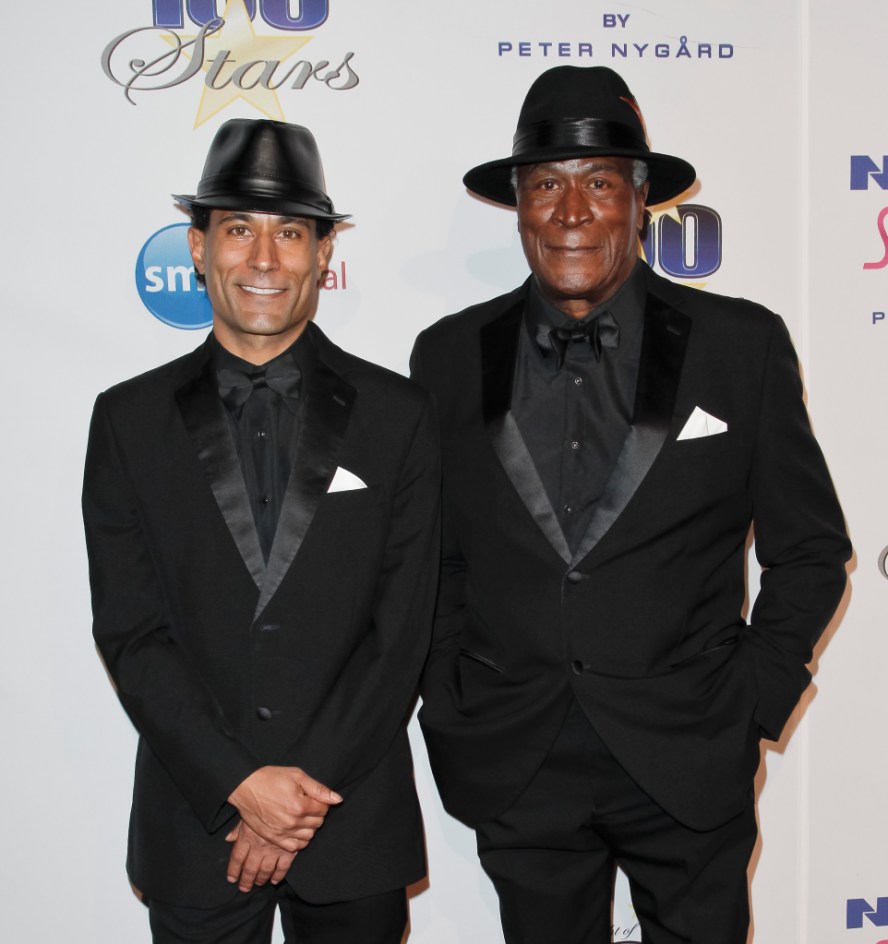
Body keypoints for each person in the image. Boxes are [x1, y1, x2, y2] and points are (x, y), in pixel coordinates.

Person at [411, 66, 850, 943]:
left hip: (689, 754)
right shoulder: (447, 356)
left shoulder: (742, 346)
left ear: (640, 199)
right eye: (547, 184)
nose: (572, 210)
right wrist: (453, 697)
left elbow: (808, 550)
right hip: (519, 757)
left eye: (600, 182)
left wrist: (752, 704)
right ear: (520, 205)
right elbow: (435, 558)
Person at [83, 118, 439, 944]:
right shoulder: (127, 421)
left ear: (323, 253)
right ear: (199, 249)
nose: (266, 259)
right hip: (197, 819)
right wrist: (239, 781)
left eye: (291, 233)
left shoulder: (400, 418)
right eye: (239, 229)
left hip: (350, 822)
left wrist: (294, 797)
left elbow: (403, 632)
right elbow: (130, 632)